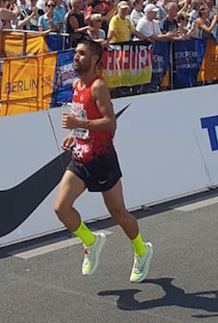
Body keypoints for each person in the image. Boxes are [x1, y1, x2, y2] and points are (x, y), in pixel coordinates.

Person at [55, 38, 153, 283]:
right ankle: (91, 241)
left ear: (95, 58)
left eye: (81, 53)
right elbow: (85, 119)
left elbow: (110, 123)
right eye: (76, 53)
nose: (76, 57)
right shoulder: (77, 84)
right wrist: (73, 134)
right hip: (80, 157)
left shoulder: (98, 86)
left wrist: (80, 124)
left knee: (118, 213)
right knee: (61, 208)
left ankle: (142, 250)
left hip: (102, 159)